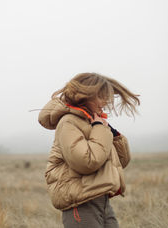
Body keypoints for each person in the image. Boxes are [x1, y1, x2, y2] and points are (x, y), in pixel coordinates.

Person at [38, 72, 140, 227]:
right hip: (80, 204)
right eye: (100, 96)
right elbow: (87, 162)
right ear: (83, 96)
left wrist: (112, 133)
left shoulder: (93, 123)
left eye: (106, 97)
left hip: (101, 200)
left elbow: (121, 162)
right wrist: (100, 130)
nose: (105, 102)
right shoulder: (68, 122)